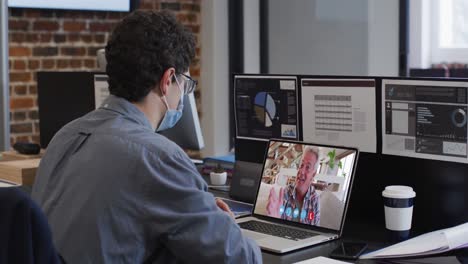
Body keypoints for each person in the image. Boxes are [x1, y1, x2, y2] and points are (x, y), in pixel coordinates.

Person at [31, 11, 261, 264]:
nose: (183, 92)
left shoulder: (65, 135)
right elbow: (240, 258)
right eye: (184, 82)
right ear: (167, 81)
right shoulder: (158, 157)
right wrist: (225, 225)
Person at [266, 147, 321, 225]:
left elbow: (315, 231)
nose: (301, 171)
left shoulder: (315, 200)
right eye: (301, 165)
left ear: (314, 174)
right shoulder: (286, 192)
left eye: (308, 167)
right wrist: (273, 218)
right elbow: (277, 221)